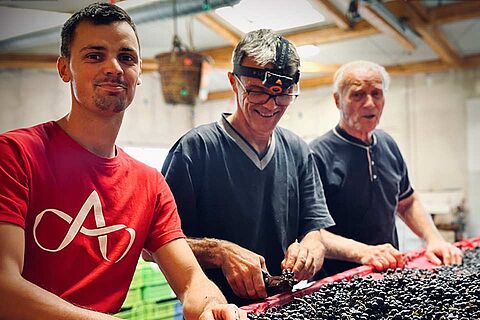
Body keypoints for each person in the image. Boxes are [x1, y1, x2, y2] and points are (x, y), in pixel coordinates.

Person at [0, 3, 246, 320]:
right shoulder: (15, 154)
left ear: (139, 73)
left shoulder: (150, 184)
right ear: (65, 69)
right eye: (94, 55)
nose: (114, 67)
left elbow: (191, 281)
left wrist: (213, 304)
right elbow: (4, 288)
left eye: (126, 58)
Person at [161, 29, 335, 306]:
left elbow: (313, 230)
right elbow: (155, 247)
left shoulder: (298, 150)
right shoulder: (195, 149)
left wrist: (311, 249)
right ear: (234, 82)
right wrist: (220, 251)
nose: (270, 104)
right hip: (216, 309)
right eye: (257, 91)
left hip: (285, 305)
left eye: (283, 94)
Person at [309, 60, 463, 277]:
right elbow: (311, 233)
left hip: (388, 274)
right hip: (336, 285)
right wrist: (365, 253)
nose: (370, 103)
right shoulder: (317, 154)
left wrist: (434, 238)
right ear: (337, 100)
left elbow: (407, 202)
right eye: (358, 94)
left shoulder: (388, 144)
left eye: (377, 93)